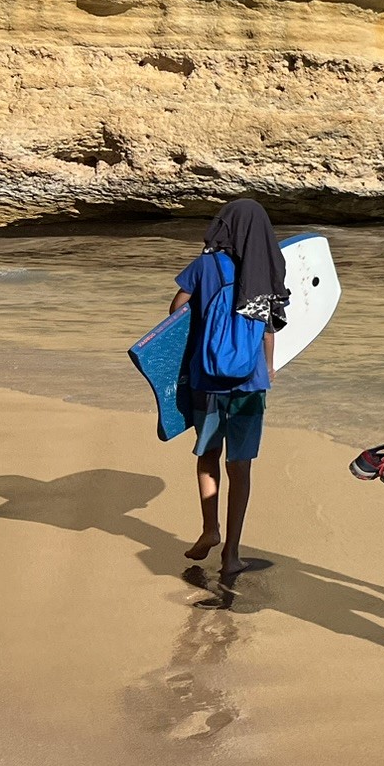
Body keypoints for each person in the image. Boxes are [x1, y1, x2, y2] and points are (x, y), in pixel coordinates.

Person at [168, 199, 287, 580]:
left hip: (207, 378)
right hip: (249, 382)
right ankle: (232, 554)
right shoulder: (265, 271)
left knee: (207, 454)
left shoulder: (205, 265)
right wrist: (266, 369)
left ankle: (210, 529)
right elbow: (269, 331)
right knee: (241, 466)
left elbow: (174, 314)